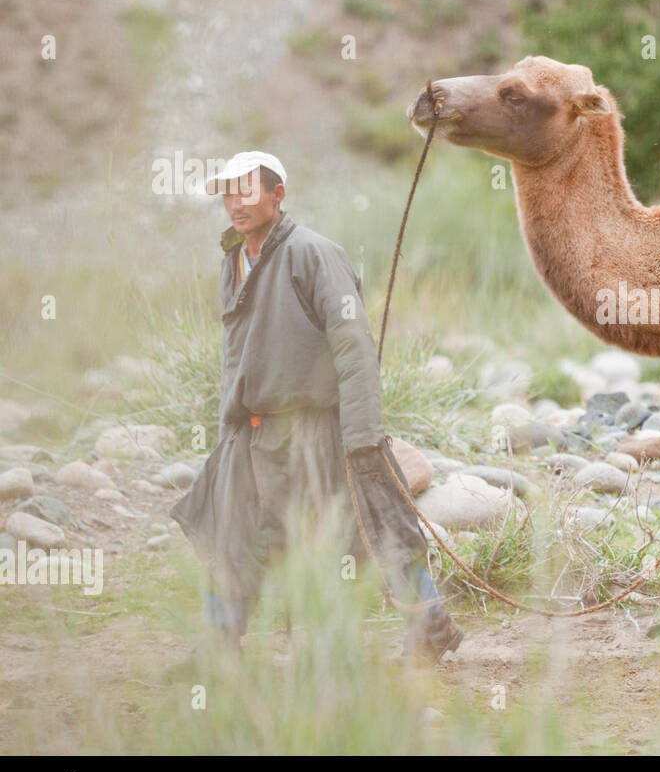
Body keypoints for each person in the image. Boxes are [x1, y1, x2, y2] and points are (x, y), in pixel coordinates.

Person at [169, 150, 463, 661]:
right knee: (230, 528)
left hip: (317, 429)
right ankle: (218, 647)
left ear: (277, 194)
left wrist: (363, 437)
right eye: (227, 192)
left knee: (373, 521)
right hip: (253, 433)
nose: (234, 202)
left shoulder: (312, 253)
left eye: (246, 189)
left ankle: (431, 626)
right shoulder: (233, 260)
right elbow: (233, 358)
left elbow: (353, 345)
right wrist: (226, 431)